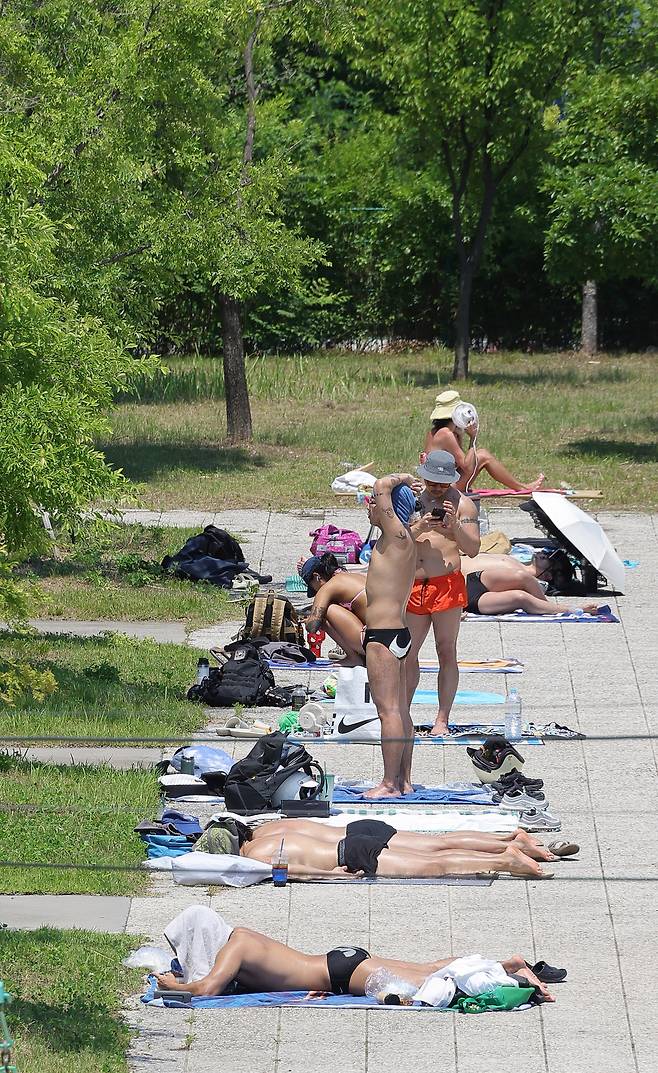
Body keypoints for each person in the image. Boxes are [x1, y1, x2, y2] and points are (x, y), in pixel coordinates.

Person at [154, 906, 556, 1000]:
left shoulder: (234, 948)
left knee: (429, 986)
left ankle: (515, 980)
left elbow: (206, 990)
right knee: (428, 968)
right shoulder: (240, 938)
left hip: (340, 974)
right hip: (338, 963)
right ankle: (508, 964)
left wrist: (174, 985)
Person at [407, 450, 480, 737]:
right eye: (432, 482)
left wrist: (454, 527)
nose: (436, 488)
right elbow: (394, 538)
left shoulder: (464, 505)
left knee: (445, 650)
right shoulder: (412, 499)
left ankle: (442, 719)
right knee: (407, 653)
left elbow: (472, 548)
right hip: (413, 584)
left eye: (442, 483)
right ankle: (403, 713)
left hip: (445, 583)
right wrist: (419, 525)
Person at [240, 816, 554, 879]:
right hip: (355, 832)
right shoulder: (265, 829)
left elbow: (292, 870)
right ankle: (508, 841)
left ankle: (505, 859)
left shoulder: (255, 856)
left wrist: (335, 876)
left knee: (438, 863)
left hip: (351, 854)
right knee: (438, 845)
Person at [362, 473, 421, 799]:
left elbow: (382, 486)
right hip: (397, 633)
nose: (371, 507)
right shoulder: (402, 538)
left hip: (384, 636)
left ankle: (388, 783)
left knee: (389, 712)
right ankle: (404, 780)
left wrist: (404, 478)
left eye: (374, 504)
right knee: (400, 711)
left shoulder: (397, 535)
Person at [423, 389, 545, 493]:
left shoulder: (434, 432)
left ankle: (521, 486)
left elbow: (458, 463)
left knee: (481, 454)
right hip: (444, 488)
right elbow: (466, 466)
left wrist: (460, 435)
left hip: (438, 484)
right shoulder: (446, 434)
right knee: (483, 455)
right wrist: (472, 437)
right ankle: (522, 488)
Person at [461, 549, 602, 616]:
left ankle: (561, 609)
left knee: (520, 597)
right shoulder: (517, 565)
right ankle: (555, 608)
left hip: (467, 591)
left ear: (547, 576)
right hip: (462, 580)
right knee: (522, 579)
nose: (544, 553)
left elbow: (521, 592)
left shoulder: (519, 573)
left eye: (549, 559)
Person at [300, 553, 367, 665]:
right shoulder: (353, 577)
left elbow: (312, 626)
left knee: (326, 612)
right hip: (393, 636)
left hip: (375, 640)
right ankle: (361, 657)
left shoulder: (327, 588)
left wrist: (309, 620)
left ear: (317, 576)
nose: (315, 591)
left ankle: (354, 658)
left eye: (311, 586)